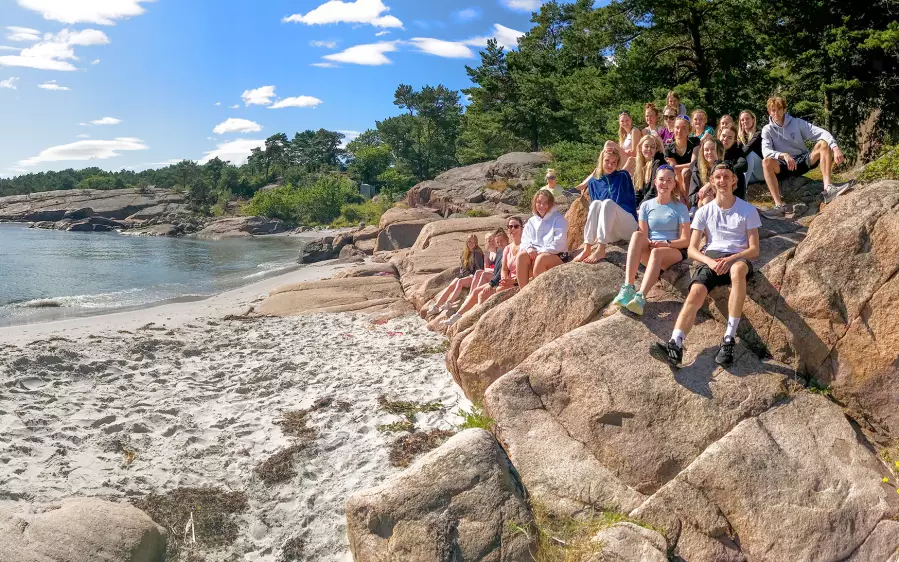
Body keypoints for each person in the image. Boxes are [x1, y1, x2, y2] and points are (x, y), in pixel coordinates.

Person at [650, 160, 761, 368]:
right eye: (718, 177)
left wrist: (731, 259)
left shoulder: (747, 210)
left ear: (734, 180)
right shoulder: (703, 211)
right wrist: (710, 261)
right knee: (696, 292)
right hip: (710, 257)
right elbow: (692, 249)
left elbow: (754, 249)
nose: (722, 181)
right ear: (711, 181)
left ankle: (729, 338)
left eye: (726, 177)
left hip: (737, 256)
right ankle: (676, 344)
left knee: (737, 270)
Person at [612, 165, 690, 315]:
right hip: (651, 248)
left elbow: (686, 240)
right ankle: (628, 287)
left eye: (669, 180)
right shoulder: (646, 205)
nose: (665, 184)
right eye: (661, 179)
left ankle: (640, 297)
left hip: (673, 251)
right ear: (655, 182)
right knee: (636, 235)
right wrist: (652, 243)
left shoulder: (680, 208)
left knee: (657, 253)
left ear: (674, 183)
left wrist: (666, 243)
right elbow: (643, 235)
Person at [761, 95, 851, 217]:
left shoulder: (797, 123)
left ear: (784, 109)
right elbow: (765, 151)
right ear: (769, 112)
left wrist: (835, 147)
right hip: (783, 165)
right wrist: (783, 155)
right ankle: (779, 206)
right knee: (766, 162)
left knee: (823, 144)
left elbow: (822, 133)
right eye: (773, 110)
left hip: (803, 160)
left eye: (779, 109)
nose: (776, 113)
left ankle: (828, 189)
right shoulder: (767, 129)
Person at [442, 220, 520, 326]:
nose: (499, 243)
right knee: (476, 292)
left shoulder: (506, 250)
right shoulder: (501, 251)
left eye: (501, 241)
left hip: (507, 282)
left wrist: (492, 283)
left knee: (482, 293)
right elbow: (501, 270)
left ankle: (478, 320)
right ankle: (457, 315)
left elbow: (503, 270)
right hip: (500, 280)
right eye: (497, 242)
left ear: (507, 239)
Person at [573, 144, 638, 264]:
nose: (610, 165)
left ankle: (601, 248)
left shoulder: (622, 176)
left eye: (614, 162)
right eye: (607, 161)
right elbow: (597, 212)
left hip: (628, 227)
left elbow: (616, 203)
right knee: (595, 204)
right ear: (601, 160)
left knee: (607, 203)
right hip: (611, 233)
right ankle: (587, 248)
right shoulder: (593, 182)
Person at [517, 189, 568, 288]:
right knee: (521, 256)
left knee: (541, 259)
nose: (542, 206)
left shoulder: (559, 219)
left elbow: (559, 243)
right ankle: (524, 293)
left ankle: (540, 293)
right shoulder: (531, 221)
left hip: (555, 256)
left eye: (545, 203)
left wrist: (541, 251)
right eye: (539, 202)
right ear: (534, 203)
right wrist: (529, 248)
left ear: (550, 204)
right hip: (536, 253)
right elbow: (525, 240)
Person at [427, 234, 484, 315]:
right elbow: (462, 268)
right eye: (470, 241)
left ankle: (449, 303)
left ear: (476, 243)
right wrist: (462, 275)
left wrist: (470, 276)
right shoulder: (464, 252)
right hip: (464, 275)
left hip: (474, 276)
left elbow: (479, 269)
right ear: (466, 242)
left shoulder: (477, 253)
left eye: (474, 242)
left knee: (460, 282)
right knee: (451, 285)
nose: (471, 243)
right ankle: (436, 306)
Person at [688, 137, 724, 208]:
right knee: (707, 197)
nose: (709, 152)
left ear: (719, 151)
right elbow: (691, 197)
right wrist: (702, 193)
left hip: (723, 203)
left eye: (713, 149)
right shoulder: (698, 169)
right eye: (706, 150)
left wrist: (709, 185)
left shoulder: (726, 167)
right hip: (702, 204)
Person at [632, 135, 668, 207]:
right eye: (646, 146)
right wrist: (633, 208)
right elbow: (637, 193)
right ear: (640, 147)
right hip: (645, 205)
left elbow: (653, 191)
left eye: (652, 147)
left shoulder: (659, 163)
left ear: (656, 149)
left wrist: (640, 208)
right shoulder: (640, 166)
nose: (649, 149)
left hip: (658, 204)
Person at [665, 115, 698, 194]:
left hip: (693, 174)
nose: (679, 131)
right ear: (674, 129)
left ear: (688, 131)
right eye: (677, 127)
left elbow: (694, 164)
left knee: (685, 172)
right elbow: (674, 169)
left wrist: (677, 167)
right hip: (678, 176)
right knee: (677, 174)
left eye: (684, 128)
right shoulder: (669, 148)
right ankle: (683, 197)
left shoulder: (695, 142)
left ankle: (687, 200)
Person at [719, 125, 748, 200]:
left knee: (739, 174)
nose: (725, 139)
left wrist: (728, 171)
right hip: (712, 182)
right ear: (719, 135)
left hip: (730, 183)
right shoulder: (712, 148)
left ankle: (737, 201)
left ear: (734, 140)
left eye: (730, 137)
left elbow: (743, 164)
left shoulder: (737, 150)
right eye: (723, 136)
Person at [738, 110, 764, 184]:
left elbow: (747, 149)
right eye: (742, 120)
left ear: (753, 119)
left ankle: (743, 191)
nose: (745, 121)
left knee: (750, 154)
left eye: (747, 118)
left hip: (761, 172)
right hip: (751, 174)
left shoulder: (758, 133)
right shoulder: (740, 137)